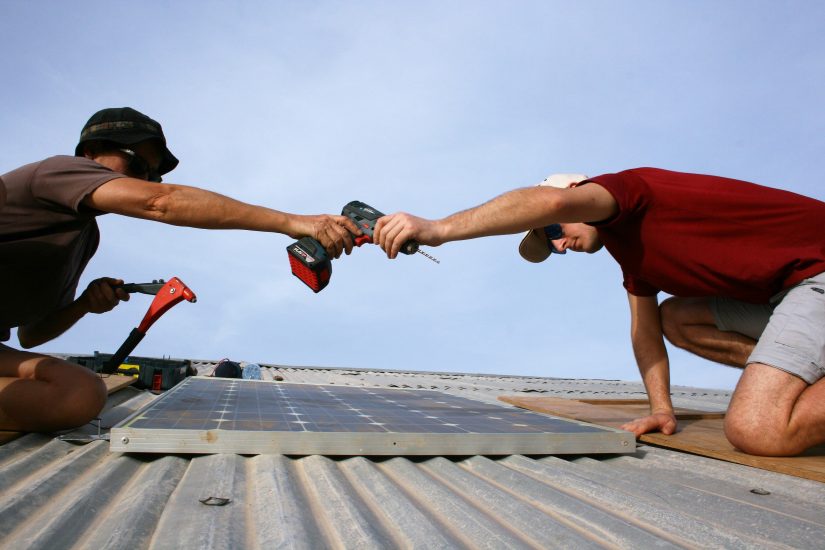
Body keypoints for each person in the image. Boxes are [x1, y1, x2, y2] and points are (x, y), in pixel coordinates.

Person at [373, 169, 825, 457]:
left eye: (555, 230)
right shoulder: (635, 260)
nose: (557, 242)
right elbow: (646, 333)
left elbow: (550, 202)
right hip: (789, 296)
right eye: (550, 243)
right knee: (676, 318)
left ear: (576, 193)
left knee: (757, 429)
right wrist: (662, 409)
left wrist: (438, 228)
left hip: (817, 275)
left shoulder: (628, 190)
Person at [0, 106, 360, 433]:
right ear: (91, 153)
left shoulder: (84, 237)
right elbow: (161, 202)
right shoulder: (56, 170)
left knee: (79, 394)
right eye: (137, 165)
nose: (145, 181)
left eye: (152, 175)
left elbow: (31, 335)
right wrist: (293, 222)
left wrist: (83, 305)